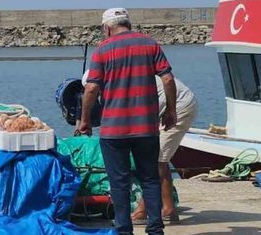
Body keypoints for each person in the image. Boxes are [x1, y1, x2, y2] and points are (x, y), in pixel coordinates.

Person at [77, 8, 177, 235]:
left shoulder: (103, 50)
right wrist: (171, 110)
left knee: (118, 182)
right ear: (127, 23)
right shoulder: (150, 44)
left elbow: (91, 89)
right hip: (146, 128)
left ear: (107, 27)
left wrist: (85, 120)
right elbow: (167, 79)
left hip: (114, 130)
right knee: (150, 180)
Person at [78, 72, 197, 225]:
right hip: (164, 107)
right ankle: (168, 209)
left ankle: (143, 210)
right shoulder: (120, 79)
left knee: (156, 161)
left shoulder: (121, 85)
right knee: (160, 158)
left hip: (179, 106)